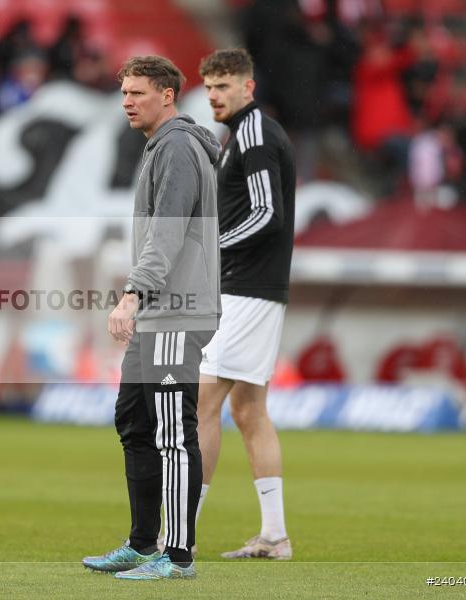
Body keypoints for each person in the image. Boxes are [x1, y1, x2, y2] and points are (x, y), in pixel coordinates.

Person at [82, 55, 220, 580]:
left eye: (138, 93)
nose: (127, 103)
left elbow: (167, 232)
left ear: (168, 95)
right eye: (123, 94)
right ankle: (142, 544)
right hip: (162, 310)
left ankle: (178, 555)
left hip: (175, 311)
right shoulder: (161, 148)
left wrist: (133, 294)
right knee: (135, 421)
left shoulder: (179, 147)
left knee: (171, 431)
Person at [195, 48, 296, 560]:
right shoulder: (242, 135)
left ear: (247, 88)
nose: (214, 95)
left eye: (224, 85)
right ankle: (274, 535)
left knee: (202, 402)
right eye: (209, 86)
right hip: (255, 288)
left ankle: (178, 535)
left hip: (247, 289)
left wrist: (210, 247)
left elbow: (266, 214)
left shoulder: (254, 132)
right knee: (249, 409)